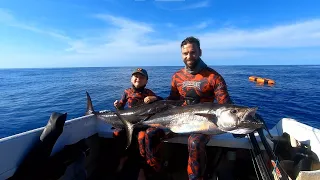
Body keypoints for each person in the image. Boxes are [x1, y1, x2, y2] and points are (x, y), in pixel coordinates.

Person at [139, 36, 233, 180]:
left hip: (204, 125)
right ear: (181, 54)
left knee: (194, 142)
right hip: (178, 122)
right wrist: (156, 99)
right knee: (150, 133)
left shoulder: (214, 77)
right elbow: (172, 100)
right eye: (185, 53)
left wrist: (238, 123)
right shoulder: (177, 76)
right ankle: (157, 173)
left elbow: (225, 105)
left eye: (193, 52)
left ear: (200, 52)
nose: (189, 56)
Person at [113, 68, 162, 179]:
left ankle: (142, 167)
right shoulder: (127, 92)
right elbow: (121, 105)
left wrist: (153, 98)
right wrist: (117, 105)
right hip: (129, 122)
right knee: (116, 133)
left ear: (146, 81)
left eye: (141, 77)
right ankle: (123, 158)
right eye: (135, 76)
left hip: (142, 123)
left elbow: (162, 101)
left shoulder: (148, 93)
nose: (138, 79)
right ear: (131, 79)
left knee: (141, 138)